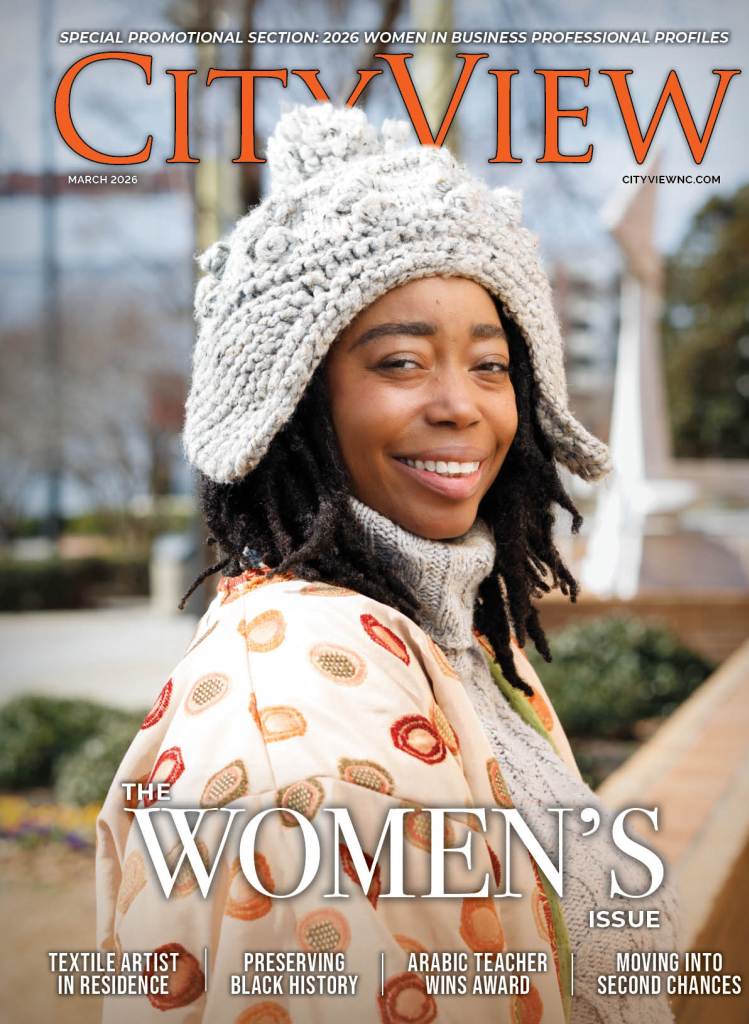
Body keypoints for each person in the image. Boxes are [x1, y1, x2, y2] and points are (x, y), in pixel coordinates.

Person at [96, 104, 678, 1024]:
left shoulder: (462, 639)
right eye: (401, 362)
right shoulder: (290, 724)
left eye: (491, 367)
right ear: (292, 403)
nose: (460, 405)